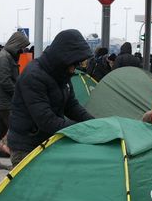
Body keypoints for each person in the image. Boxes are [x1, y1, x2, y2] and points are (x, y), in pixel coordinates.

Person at [8, 29, 94, 165]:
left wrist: (93, 123)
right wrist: (80, 130)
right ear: (64, 58)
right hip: (27, 146)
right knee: (33, 186)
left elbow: (72, 106)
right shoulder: (33, 76)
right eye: (74, 63)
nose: (75, 68)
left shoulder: (62, 73)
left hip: (47, 142)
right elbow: (46, 120)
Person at [0, 31, 29, 170]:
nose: (22, 51)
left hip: (5, 101)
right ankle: (17, 161)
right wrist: (19, 94)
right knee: (15, 131)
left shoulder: (8, 56)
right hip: (6, 102)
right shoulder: (4, 58)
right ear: (16, 45)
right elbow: (5, 81)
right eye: (21, 47)